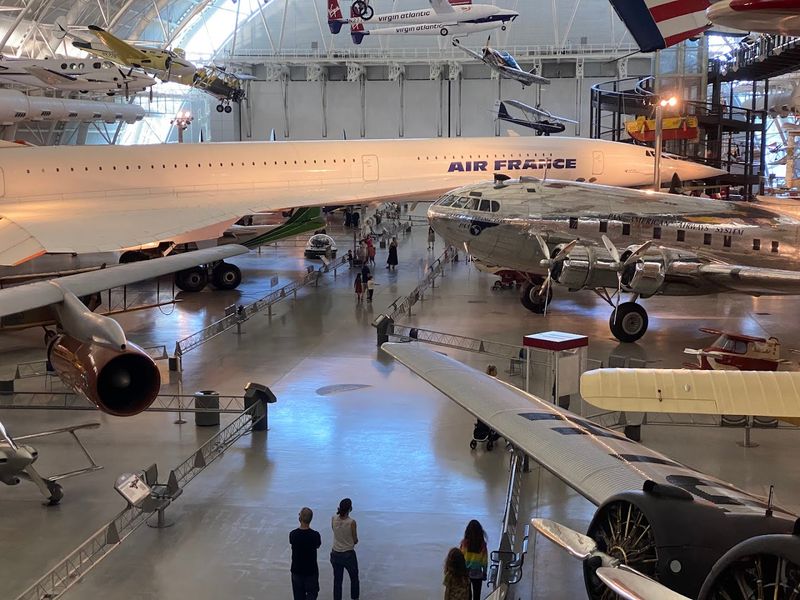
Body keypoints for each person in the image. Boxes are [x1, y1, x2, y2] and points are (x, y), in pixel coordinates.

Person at [330, 498, 360, 600]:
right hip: (348, 555)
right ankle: (355, 598)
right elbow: (355, 540)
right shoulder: (351, 522)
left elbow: (334, 530)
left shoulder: (333, 518)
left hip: (335, 553)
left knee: (337, 581)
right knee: (354, 578)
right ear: (350, 509)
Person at [290, 507, 322, 600]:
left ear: (300, 518)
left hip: (296, 571)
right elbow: (317, 545)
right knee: (312, 594)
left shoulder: (293, 534)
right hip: (311, 571)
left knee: (298, 596)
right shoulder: (315, 535)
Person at [460, 520, 488, 600]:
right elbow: (484, 561)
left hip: (466, 573)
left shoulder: (464, 543)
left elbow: (461, 557)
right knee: (477, 595)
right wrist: (484, 573)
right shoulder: (482, 545)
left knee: (467, 595)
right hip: (478, 574)